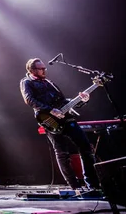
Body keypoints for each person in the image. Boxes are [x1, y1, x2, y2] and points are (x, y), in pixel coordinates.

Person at [20, 58, 100, 190]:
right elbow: (29, 100)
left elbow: (64, 101)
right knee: (62, 152)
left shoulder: (49, 82)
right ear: (32, 70)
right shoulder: (27, 82)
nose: (45, 70)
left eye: (45, 68)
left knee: (85, 147)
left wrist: (82, 100)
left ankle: (93, 184)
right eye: (41, 68)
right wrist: (50, 110)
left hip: (66, 117)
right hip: (49, 119)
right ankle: (75, 187)